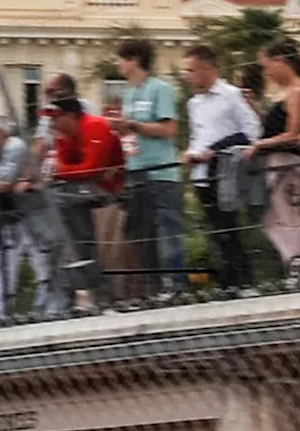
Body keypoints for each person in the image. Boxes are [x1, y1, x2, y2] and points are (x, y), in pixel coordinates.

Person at [182, 44, 263, 288]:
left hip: (226, 170)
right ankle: (228, 282)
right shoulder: (194, 104)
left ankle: (244, 281)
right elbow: (198, 135)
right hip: (202, 173)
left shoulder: (230, 95)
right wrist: (191, 152)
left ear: (207, 68)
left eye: (192, 70)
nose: (188, 75)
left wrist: (217, 148)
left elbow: (251, 129)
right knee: (215, 229)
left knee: (229, 226)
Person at [108, 39, 184, 295]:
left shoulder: (159, 89)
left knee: (167, 232)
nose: (118, 64)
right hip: (136, 171)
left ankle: (176, 287)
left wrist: (135, 126)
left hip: (161, 172)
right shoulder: (128, 93)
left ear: (135, 59)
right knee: (143, 235)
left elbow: (169, 129)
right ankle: (154, 288)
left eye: (121, 58)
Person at [248, 41, 300, 286]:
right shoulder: (284, 92)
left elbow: (292, 133)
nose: (266, 72)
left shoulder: (298, 92)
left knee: (288, 212)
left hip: (287, 160)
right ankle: (291, 260)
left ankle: (298, 263)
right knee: (272, 215)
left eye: (267, 66)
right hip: (274, 159)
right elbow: (274, 126)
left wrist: (261, 145)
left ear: (281, 61)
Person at [43, 90, 125, 311]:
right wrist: (62, 164)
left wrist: (61, 172)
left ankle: (81, 256)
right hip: (83, 189)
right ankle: (81, 258)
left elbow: (90, 169)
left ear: (71, 115)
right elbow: (64, 167)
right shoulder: (66, 135)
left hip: (110, 188)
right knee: (57, 196)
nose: (53, 122)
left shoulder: (94, 125)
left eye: (56, 117)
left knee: (58, 197)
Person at [0, 116, 58, 319]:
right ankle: (0, 312)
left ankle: (44, 310)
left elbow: (4, 182)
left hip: (33, 213)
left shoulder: (14, 146)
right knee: (2, 262)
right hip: (13, 216)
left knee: (41, 261)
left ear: (1, 132)